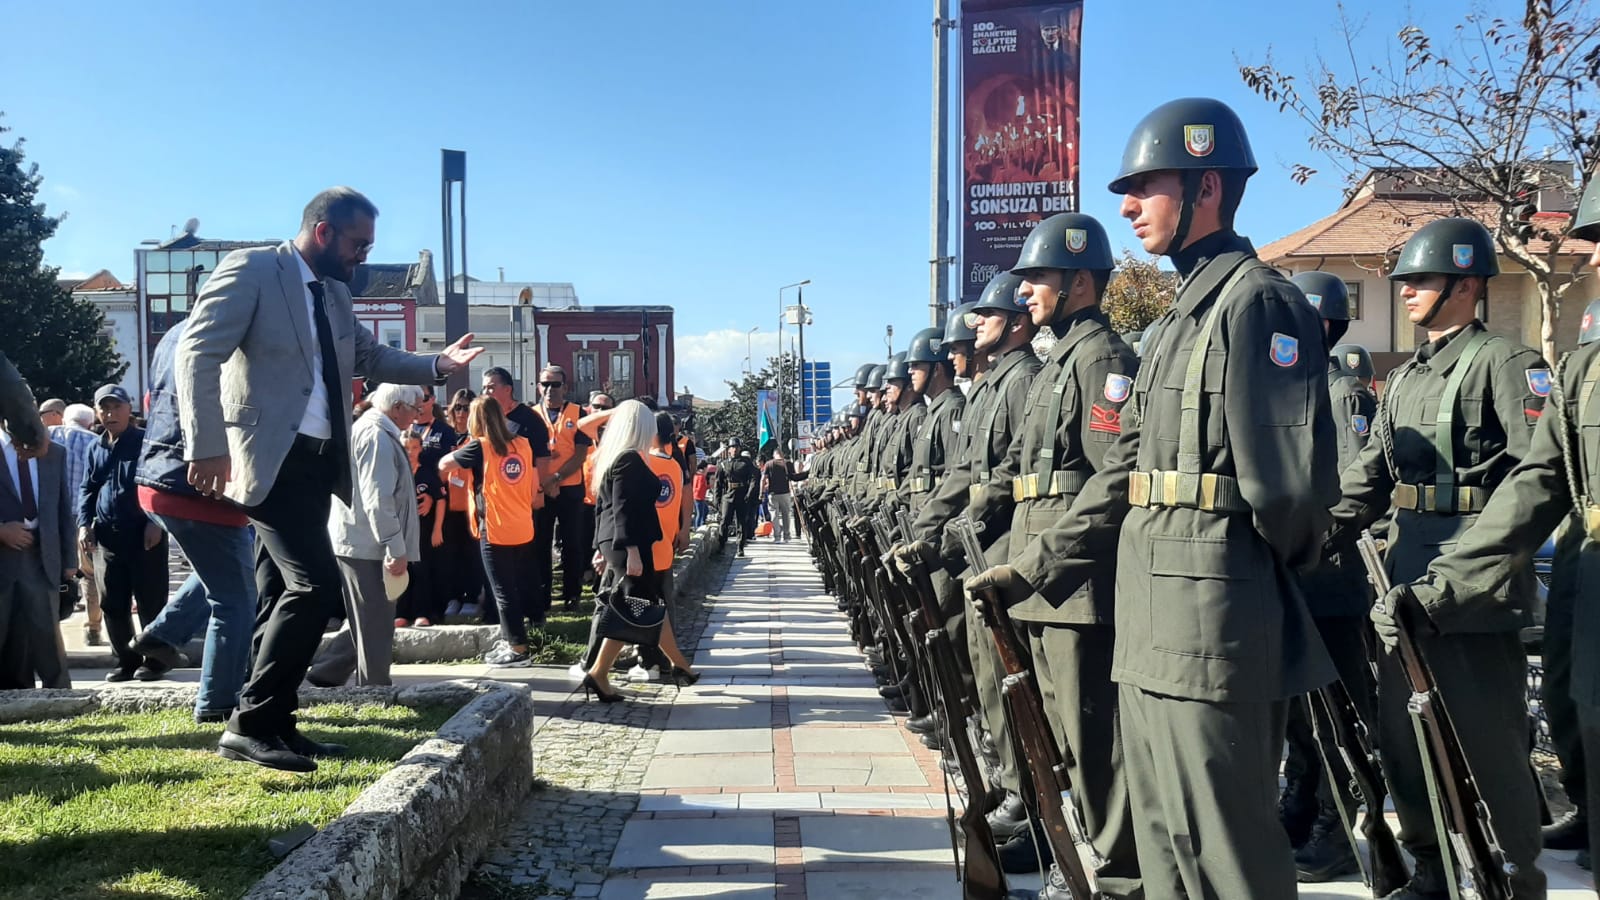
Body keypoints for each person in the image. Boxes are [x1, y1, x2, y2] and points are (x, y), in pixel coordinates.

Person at [967, 98, 1338, 898]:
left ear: (1207, 186)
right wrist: (1033, 564)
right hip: (1149, 613)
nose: (1128, 206)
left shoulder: (1258, 303)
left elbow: (1291, 489)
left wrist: (1247, 577)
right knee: (1169, 842)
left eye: (1146, 186)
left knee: (1226, 847)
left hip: (1215, 618)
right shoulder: (1178, 317)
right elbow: (1124, 471)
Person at [176, 186, 482, 773]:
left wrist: (437, 365)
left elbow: (370, 359)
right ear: (323, 232)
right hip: (268, 456)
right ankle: (253, 722)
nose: (363, 255)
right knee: (315, 587)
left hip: (320, 462)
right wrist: (207, 445)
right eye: (357, 243)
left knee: (276, 594)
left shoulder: (336, 294)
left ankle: (277, 723)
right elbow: (198, 353)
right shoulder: (253, 270)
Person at [1327, 216, 1549, 899]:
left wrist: (1466, 577)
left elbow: (1536, 480)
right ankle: (1430, 867)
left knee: (1489, 744)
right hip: (1404, 577)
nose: (1407, 292)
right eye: (1405, 282)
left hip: (1475, 586)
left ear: (1468, 283)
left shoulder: (1508, 366)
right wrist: (1306, 535)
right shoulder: (1406, 378)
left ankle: (1513, 873)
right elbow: (1369, 475)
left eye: (1421, 280)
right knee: (1405, 738)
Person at [962, 212, 1143, 898]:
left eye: (1038, 277)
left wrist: (1052, 560)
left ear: (1079, 281)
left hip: (1075, 583)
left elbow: (1112, 472)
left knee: (1094, 746)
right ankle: (1077, 855)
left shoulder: (1100, 359)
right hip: (1038, 570)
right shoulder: (1056, 362)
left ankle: (1117, 873)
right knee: (1058, 739)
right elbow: (1018, 468)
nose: (1026, 290)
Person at [1277, 271, 1378, 880]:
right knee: (1302, 717)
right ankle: (1305, 805)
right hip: (1301, 578)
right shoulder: (1299, 388)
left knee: (1337, 715)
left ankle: (1337, 829)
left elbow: (1344, 493)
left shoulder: (1339, 394)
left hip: (1331, 581)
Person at [130, 319, 258, 722]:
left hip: (156, 482)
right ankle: (218, 704)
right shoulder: (234, 333)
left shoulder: (172, 333)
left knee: (219, 573)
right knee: (236, 601)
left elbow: (154, 402)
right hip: (203, 490)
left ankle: (163, 634)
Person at [581, 400, 699, 702]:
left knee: (644, 606)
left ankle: (678, 665)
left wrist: (601, 548)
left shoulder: (614, 457)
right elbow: (622, 509)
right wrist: (631, 550)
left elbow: (603, 510)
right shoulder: (630, 459)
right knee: (636, 608)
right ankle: (599, 672)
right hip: (631, 544)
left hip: (620, 543)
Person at [308, 383, 423, 687]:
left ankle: (328, 671)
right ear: (397, 407)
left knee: (366, 615)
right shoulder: (377, 436)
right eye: (415, 409)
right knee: (375, 622)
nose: (418, 416)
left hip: (358, 538)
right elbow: (378, 499)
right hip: (367, 543)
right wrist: (395, 547)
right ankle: (374, 690)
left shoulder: (372, 429)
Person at [440, 396, 541, 667]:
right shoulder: (523, 444)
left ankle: (518, 649)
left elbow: (444, 465)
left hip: (495, 528)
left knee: (503, 592)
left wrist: (463, 448)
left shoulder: (480, 447)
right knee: (514, 588)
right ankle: (512, 639)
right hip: (522, 525)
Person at [79, 384, 169, 682]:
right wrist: (84, 523)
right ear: (96, 412)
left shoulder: (145, 443)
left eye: (116, 406)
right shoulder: (96, 446)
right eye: (104, 407)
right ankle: (125, 661)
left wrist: (156, 522)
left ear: (128, 409)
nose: (109, 413)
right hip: (108, 538)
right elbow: (88, 488)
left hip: (145, 535)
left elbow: (160, 484)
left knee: (150, 601)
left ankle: (155, 661)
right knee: (112, 603)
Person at [0, 403, 74, 690]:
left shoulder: (53, 453)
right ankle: (13, 694)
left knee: (46, 633)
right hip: (3, 555)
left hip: (41, 556)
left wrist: (69, 562)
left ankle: (60, 695)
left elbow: (62, 510)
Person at [530, 365, 594, 614]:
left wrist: (555, 478)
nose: (549, 389)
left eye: (555, 384)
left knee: (572, 544)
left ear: (565, 387)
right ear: (538, 386)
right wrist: (544, 483)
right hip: (540, 490)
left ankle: (572, 595)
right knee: (540, 544)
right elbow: (529, 455)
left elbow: (580, 455)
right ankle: (543, 596)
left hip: (569, 488)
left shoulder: (579, 413)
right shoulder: (532, 415)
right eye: (545, 384)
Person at [49, 401, 102, 646]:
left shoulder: (48, 436)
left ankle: (49, 627)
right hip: (84, 519)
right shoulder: (95, 441)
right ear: (90, 422)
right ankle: (92, 628)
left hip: (50, 518)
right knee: (89, 575)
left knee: (48, 573)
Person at [441, 391, 484, 619]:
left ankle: (471, 596)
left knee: (471, 554)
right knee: (450, 555)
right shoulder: (445, 435)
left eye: (466, 408)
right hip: (446, 505)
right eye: (457, 407)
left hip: (470, 505)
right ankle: (453, 596)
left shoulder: (476, 438)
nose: (461, 413)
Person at [399, 432, 447, 627]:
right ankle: (400, 613)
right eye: (406, 448)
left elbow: (441, 500)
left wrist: (437, 529)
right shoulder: (394, 471)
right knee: (401, 571)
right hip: (399, 531)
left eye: (414, 447)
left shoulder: (427, 474)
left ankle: (422, 613)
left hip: (423, 532)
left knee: (421, 571)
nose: (410, 452)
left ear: (421, 449)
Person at [716, 439, 760, 556]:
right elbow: (718, 483)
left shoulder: (746, 462)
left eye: (737, 447)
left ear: (740, 448)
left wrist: (749, 493)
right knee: (725, 521)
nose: (734, 449)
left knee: (741, 522)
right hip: (728, 495)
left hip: (742, 494)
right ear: (729, 449)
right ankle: (721, 545)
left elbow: (753, 478)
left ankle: (740, 547)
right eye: (732, 447)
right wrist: (717, 500)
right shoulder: (723, 464)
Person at [763, 450, 796, 542]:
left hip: (773, 493)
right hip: (785, 492)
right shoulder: (788, 463)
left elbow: (763, 479)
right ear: (782, 454)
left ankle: (777, 536)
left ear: (774, 455)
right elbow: (793, 476)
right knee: (786, 514)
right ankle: (786, 536)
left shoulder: (769, 464)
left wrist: (761, 492)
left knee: (774, 515)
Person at [692, 460, 711, 528]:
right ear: (704, 468)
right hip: (700, 497)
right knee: (700, 514)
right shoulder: (702, 476)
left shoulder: (696, 475)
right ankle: (698, 527)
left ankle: (701, 524)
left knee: (704, 510)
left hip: (696, 496)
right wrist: (709, 486)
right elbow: (700, 487)